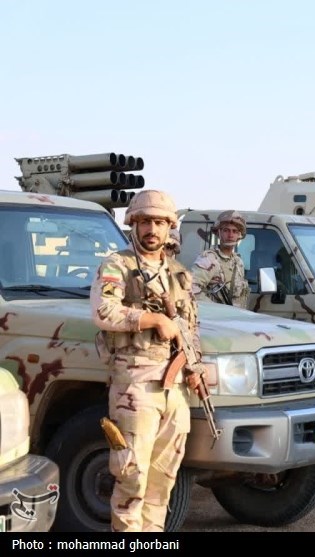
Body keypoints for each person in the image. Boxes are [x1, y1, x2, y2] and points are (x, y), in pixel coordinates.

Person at [90, 190, 203, 532]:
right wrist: (151, 319)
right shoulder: (118, 265)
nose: (152, 230)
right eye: (145, 222)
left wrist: (195, 368)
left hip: (175, 390)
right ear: (134, 224)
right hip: (135, 387)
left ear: (169, 228)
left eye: (159, 223)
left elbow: (191, 328)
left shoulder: (179, 274)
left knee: (161, 485)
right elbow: (103, 310)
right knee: (132, 481)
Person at [191, 210, 250, 308]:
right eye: (226, 230)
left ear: (239, 235)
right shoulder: (209, 258)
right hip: (216, 316)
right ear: (219, 233)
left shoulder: (238, 262)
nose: (230, 235)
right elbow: (191, 288)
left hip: (237, 315)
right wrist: (215, 309)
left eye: (234, 231)